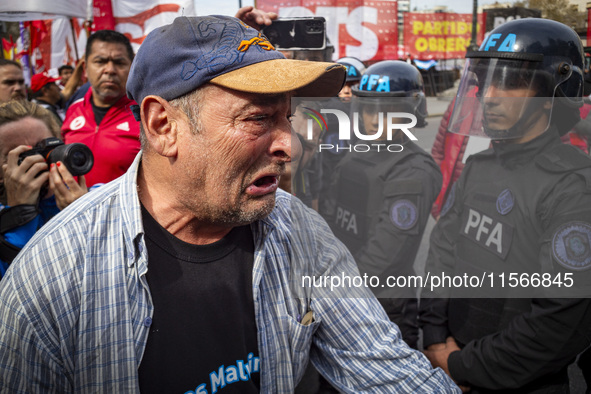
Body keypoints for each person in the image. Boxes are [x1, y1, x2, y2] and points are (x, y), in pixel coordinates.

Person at [0, 15, 459, 393]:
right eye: (258, 118)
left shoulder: (300, 233)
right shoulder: (54, 276)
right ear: (163, 125)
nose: (289, 146)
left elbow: (389, 370)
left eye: (287, 117)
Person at [418, 18, 591, 392]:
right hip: (451, 362)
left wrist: (462, 365)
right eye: (485, 81)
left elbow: (557, 324)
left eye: (511, 81)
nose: (490, 95)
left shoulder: (573, 187)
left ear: (554, 91)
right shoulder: (480, 167)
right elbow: (442, 252)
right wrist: (434, 337)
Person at [327, 60, 441, 349]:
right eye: (369, 109)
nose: (377, 119)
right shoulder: (357, 153)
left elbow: (384, 256)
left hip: (380, 305)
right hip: (343, 293)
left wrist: (333, 298)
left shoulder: (413, 169)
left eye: (389, 110)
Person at [0, 100, 87, 278]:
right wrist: (19, 214)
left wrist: (86, 214)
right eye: (21, 155)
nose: (36, 162)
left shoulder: (95, 197)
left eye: (44, 148)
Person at [60, 29, 140, 188]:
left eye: (119, 62)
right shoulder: (73, 110)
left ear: (132, 67)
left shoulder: (147, 116)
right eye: (100, 61)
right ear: (85, 68)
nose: (110, 70)